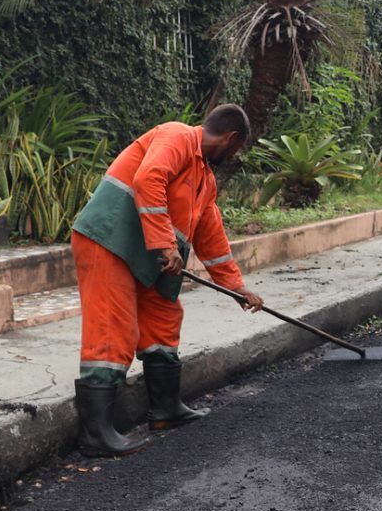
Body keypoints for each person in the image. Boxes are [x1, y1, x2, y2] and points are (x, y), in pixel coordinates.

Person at [69, 104, 266, 458]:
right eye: (237, 149)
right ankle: (95, 434)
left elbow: (212, 240)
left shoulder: (204, 179)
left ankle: (165, 410)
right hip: (108, 239)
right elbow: (149, 179)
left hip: (149, 256)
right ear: (230, 138)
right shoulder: (176, 136)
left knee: (164, 319)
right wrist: (164, 244)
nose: (234, 156)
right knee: (113, 328)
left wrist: (237, 289)